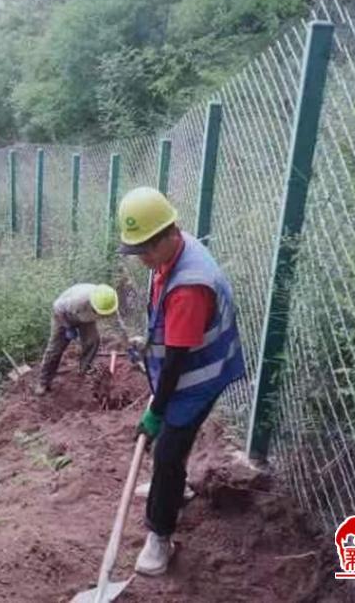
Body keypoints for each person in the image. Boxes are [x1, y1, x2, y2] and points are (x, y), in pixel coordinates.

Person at [117, 186, 245, 576]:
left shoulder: (189, 287)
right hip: (188, 366)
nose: (141, 258)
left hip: (198, 378)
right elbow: (168, 327)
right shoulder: (172, 253)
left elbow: (175, 364)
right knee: (171, 449)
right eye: (136, 250)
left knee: (168, 452)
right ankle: (173, 490)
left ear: (168, 235)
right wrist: (149, 342)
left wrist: (156, 412)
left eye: (144, 250)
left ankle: (160, 535)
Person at [34, 283, 121, 395]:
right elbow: (57, 308)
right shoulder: (77, 300)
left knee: (93, 341)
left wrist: (128, 345)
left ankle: (84, 369)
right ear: (93, 305)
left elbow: (118, 324)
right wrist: (68, 327)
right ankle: (43, 382)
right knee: (55, 350)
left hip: (85, 318)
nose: (104, 316)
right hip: (64, 316)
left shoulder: (109, 304)